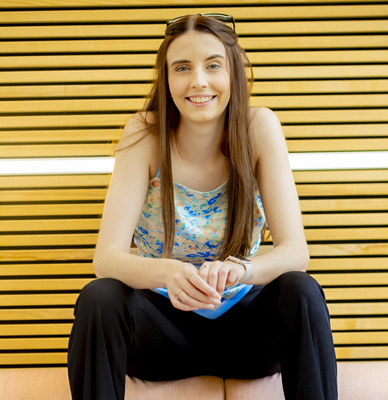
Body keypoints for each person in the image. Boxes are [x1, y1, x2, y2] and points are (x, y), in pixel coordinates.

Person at [68, 13, 338, 400]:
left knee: (301, 290)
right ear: (166, 79)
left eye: (213, 65)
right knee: (100, 297)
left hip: (247, 339)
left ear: (233, 74)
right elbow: (106, 259)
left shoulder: (259, 127)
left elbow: (296, 253)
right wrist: (169, 274)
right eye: (182, 68)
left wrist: (239, 269)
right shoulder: (145, 133)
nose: (198, 81)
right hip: (162, 339)